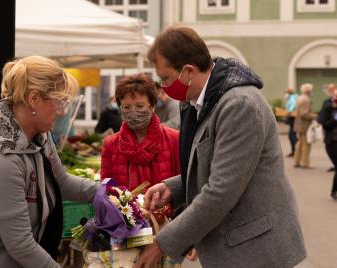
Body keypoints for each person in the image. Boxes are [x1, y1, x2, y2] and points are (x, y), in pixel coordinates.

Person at [134, 26, 306, 268]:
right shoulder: (202, 100)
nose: (163, 87)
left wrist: (162, 244)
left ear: (188, 72)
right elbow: (211, 164)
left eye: (165, 79)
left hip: (256, 249)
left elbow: (221, 191)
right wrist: (173, 187)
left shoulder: (239, 105)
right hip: (239, 241)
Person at [0, 56, 98, 267]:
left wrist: (104, 192)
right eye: (59, 101)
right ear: (34, 99)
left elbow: (60, 181)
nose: (62, 111)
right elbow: (20, 244)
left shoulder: (39, 136)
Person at [100, 73, 180, 191]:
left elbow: (182, 186)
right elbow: (106, 190)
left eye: (140, 106)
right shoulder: (111, 144)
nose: (133, 112)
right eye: (126, 107)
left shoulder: (174, 139)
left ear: (152, 106)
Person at [317, 83, 337, 199]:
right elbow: (325, 125)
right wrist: (335, 119)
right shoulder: (328, 107)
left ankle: (334, 191)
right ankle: (334, 192)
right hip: (332, 142)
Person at [294, 83, 318, 169]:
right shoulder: (306, 100)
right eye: (312, 90)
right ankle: (305, 163)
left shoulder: (300, 98)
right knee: (306, 145)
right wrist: (315, 115)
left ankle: (297, 161)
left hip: (299, 125)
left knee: (300, 144)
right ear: (308, 91)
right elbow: (304, 114)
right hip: (305, 126)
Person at [318, 83, 336, 172]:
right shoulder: (327, 103)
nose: (329, 91)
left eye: (331, 89)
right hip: (331, 136)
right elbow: (323, 119)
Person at [284, 87, 298, 157]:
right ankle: (294, 151)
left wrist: (289, 111)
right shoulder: (293, 97)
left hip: (293, 117)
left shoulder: (292, 97)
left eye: (286, 93)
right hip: (293, 117)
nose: (285, 95)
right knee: (291, 135)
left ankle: (296, 151)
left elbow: (293, 105)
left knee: (292, 135)